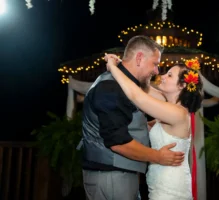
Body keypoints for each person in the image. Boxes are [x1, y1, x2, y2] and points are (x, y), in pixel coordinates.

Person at [80, 35, 185, 200]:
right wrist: (157, 156)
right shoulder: (111, 87)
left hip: (119, 174)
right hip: (111, 176)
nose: (157, 71)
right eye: (155, 64)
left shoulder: (125, 86)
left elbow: (128, 120)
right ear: (139, 58)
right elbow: (118, 142)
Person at [105, 54, 203, 200]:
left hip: (171, 188)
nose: (163, 76)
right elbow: (141, 87)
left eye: (169, 75)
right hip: (159, 184)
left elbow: (136, 95)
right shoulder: (168, 105)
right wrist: (122, 65)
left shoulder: (178, 113)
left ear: (182, 85)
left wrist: (112, 68)